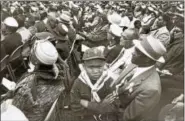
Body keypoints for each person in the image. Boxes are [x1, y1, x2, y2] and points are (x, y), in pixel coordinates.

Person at [111, 35, 167, 121]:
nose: (132, 53)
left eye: (137, 51)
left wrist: (104, 109)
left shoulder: (151, 89)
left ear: (147, 59)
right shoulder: (136, 63)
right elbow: (118, 84)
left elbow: (127, 117)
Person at [10, 40, 65, 121]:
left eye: (32, 53)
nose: (30, 54)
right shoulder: (59, 78)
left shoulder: (25, 89)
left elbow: (12, 112)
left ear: (36, 60)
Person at [70, 47, 118, 121]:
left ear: (104, 65)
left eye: (99, 67)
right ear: (84, 67)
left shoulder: (109, 81)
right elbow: (75, 108)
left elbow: (113, 107)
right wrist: (101, 105)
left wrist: (88, 104)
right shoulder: (79, 82)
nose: (95, 71)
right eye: (91, 67)